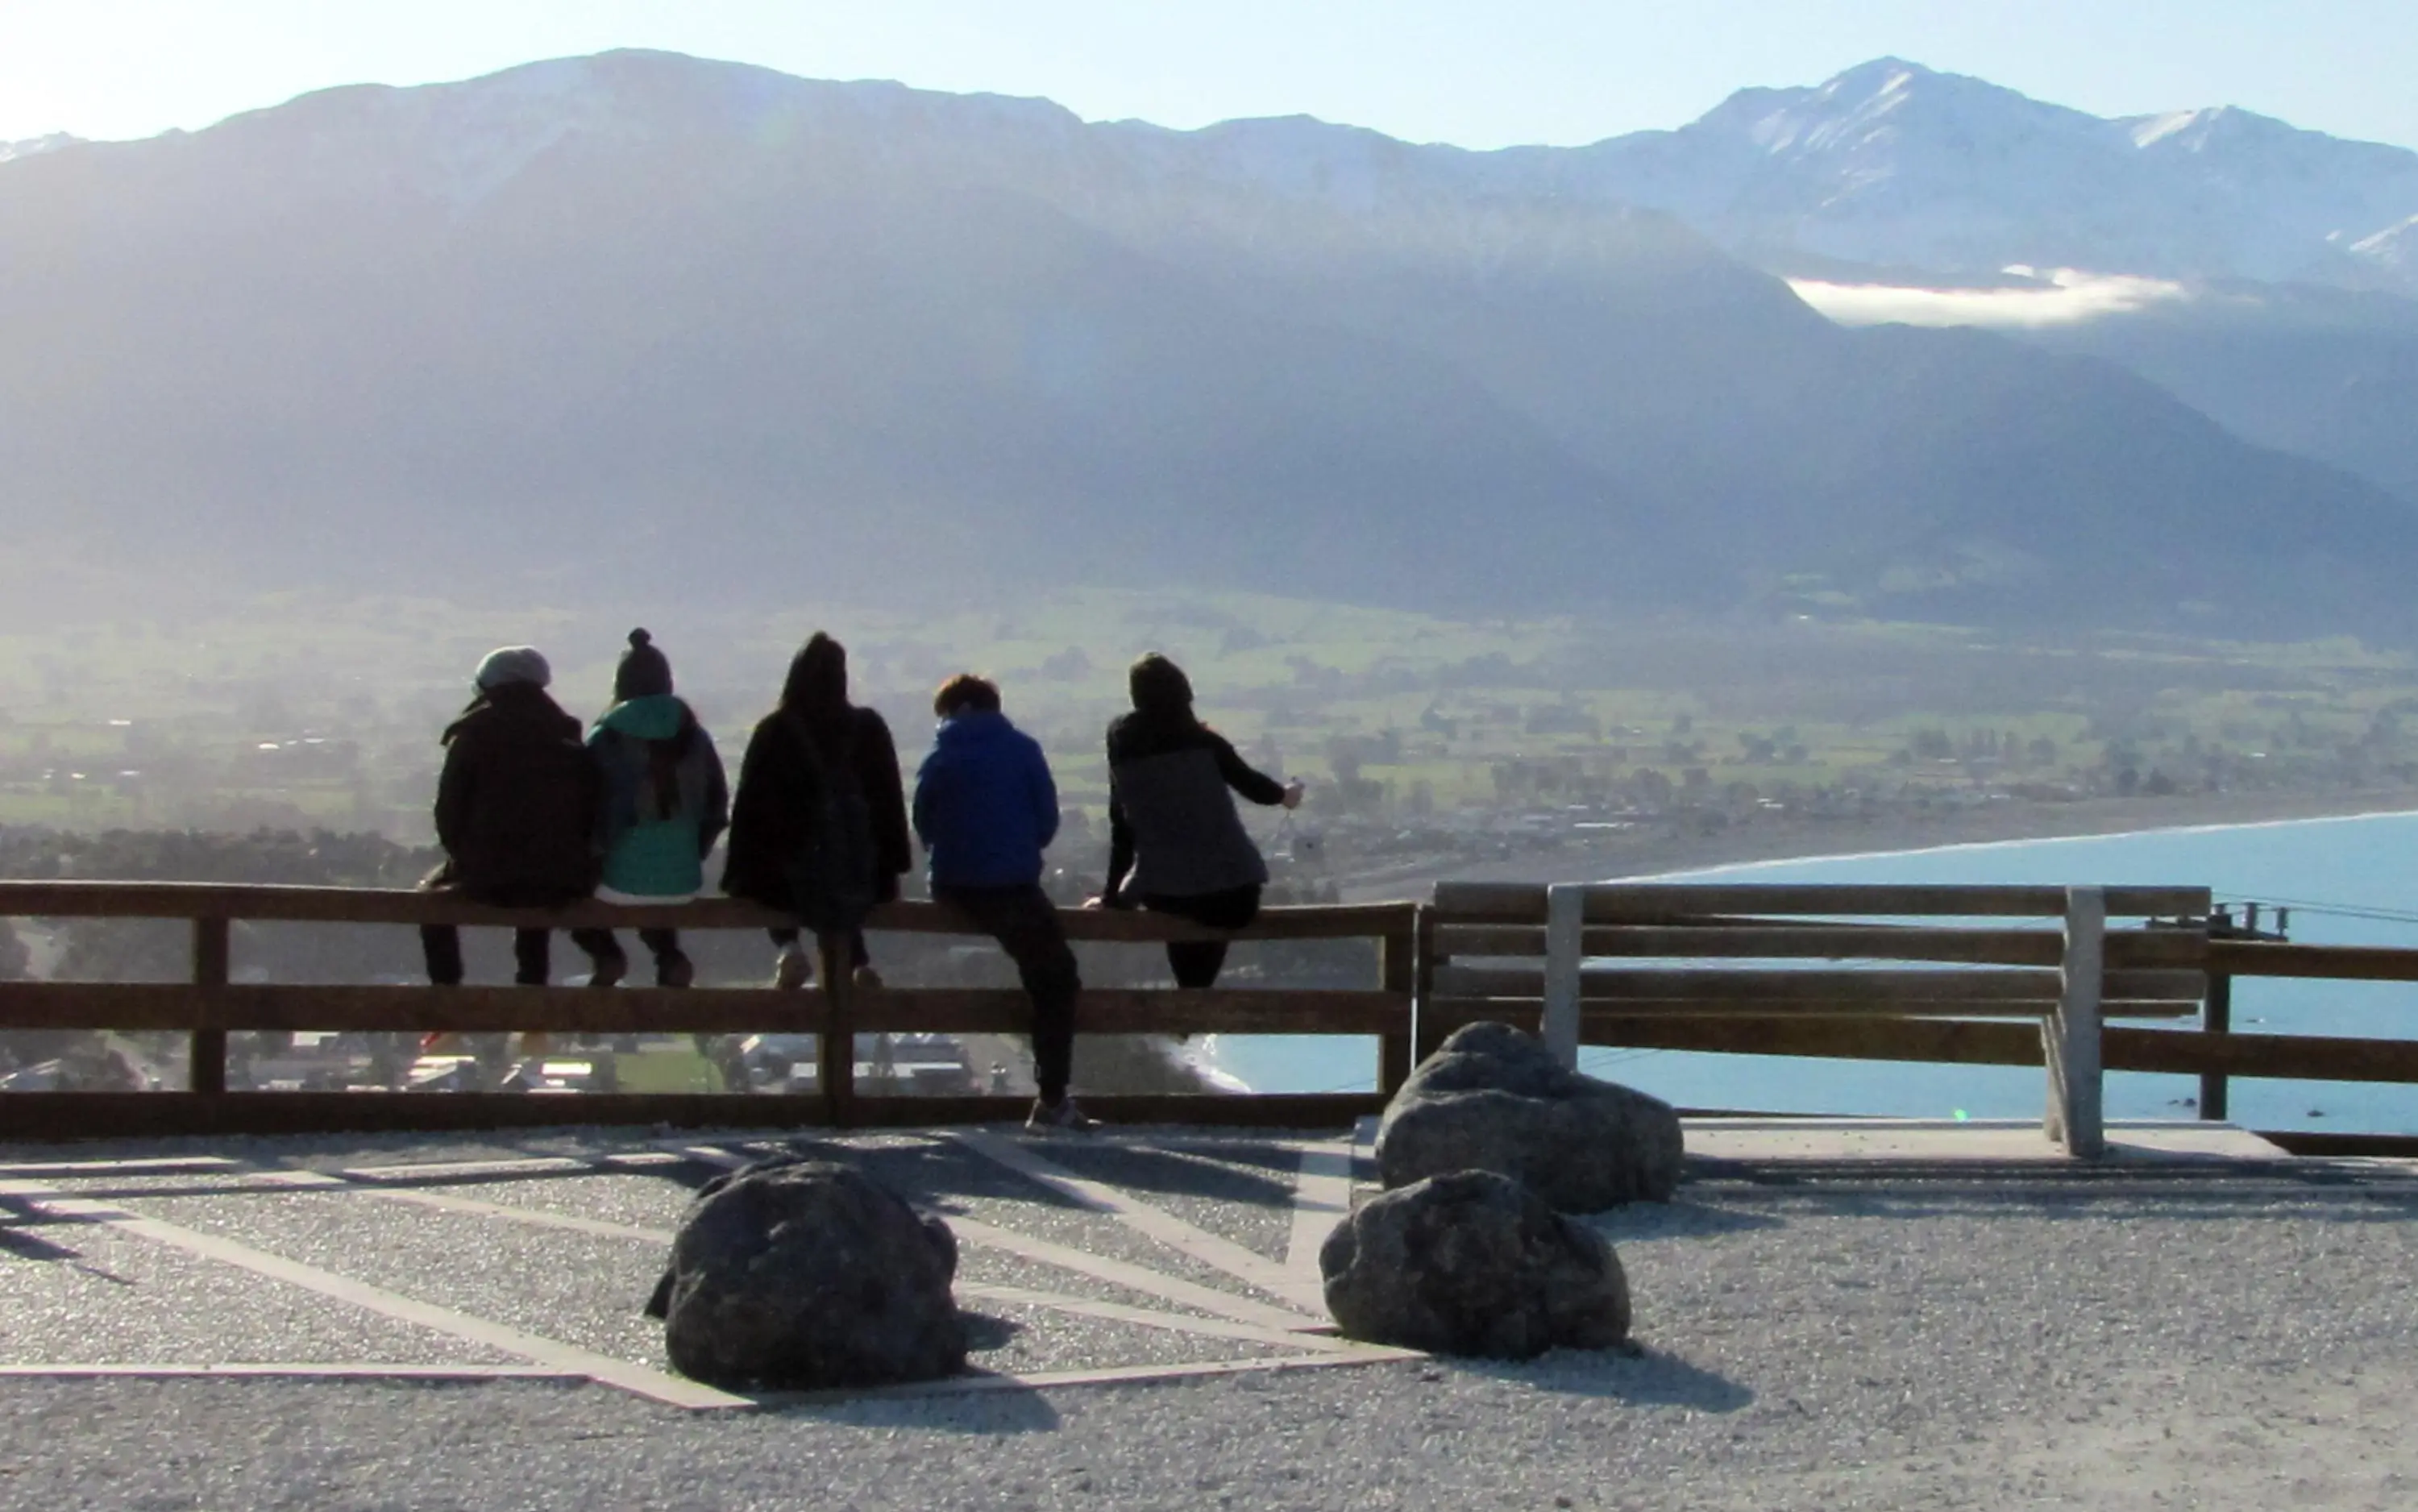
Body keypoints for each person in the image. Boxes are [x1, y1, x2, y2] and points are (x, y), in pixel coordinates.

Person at [911, 673, 1088, 1132]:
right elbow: (1046, 820)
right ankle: (1052, 1098)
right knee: (1056, 978)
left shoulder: (940, 754)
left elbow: (923, 818)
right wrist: (1018, 849)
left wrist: (946, 856)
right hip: (1011, 886)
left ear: (956, 710)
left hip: (952, 884)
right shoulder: (1023, 750)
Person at [418, 647, 600, 1050]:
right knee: (535, 909)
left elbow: (449, 811)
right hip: (558, 873)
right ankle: (532, 1020)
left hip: (486, 871)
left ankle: (447, 1011)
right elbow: (588, 808)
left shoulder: (472, 732)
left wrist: (466, 860)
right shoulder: (564, 733)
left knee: (430, 902)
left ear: (486, 685)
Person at [1091, 653, 1302, 988]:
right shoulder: (1205, 742)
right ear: (1184, 694)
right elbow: (1253, 785)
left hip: (1166, 891)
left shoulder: (1121, 742)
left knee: (1182, 913)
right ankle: (1196, 996)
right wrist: (1286, 795)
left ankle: (1192, 996)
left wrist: (1111, 898)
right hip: (1236, 893)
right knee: (1208, 918)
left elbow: (1122, 826)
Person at [721, 632, 912, 988]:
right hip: (861, 875)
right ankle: (857, 964)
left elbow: (750, 813)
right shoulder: (869, 728)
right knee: (841, 890)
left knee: (778, 888)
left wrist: (738, 873)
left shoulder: (775, 730)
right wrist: (892, 868)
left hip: (789, 877)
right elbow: (889, 806)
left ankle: (789, 948)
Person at [569, 629, 729, 988]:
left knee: (574, 902)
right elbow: (717, 807)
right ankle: (670, 957)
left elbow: (585, 812)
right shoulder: (697, 737)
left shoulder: (606, 737)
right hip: (684, 879)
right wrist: (693, 851)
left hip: (616, 880)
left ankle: (607, 955)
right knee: (655, 895)